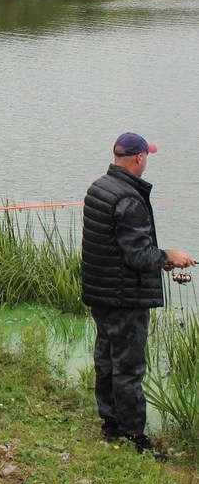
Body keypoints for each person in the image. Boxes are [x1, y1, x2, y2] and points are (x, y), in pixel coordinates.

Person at [82, 132, 195, 455]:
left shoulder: (99, 187)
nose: (147, 160)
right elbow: (139, 256)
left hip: (101, 291)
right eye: (147, 156)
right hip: (125, 297)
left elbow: (115, 246)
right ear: (139, 158)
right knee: (129, 367)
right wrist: (168, 256)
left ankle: (111, 424)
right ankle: (134, 438)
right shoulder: (129, 199)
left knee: (105, 358)